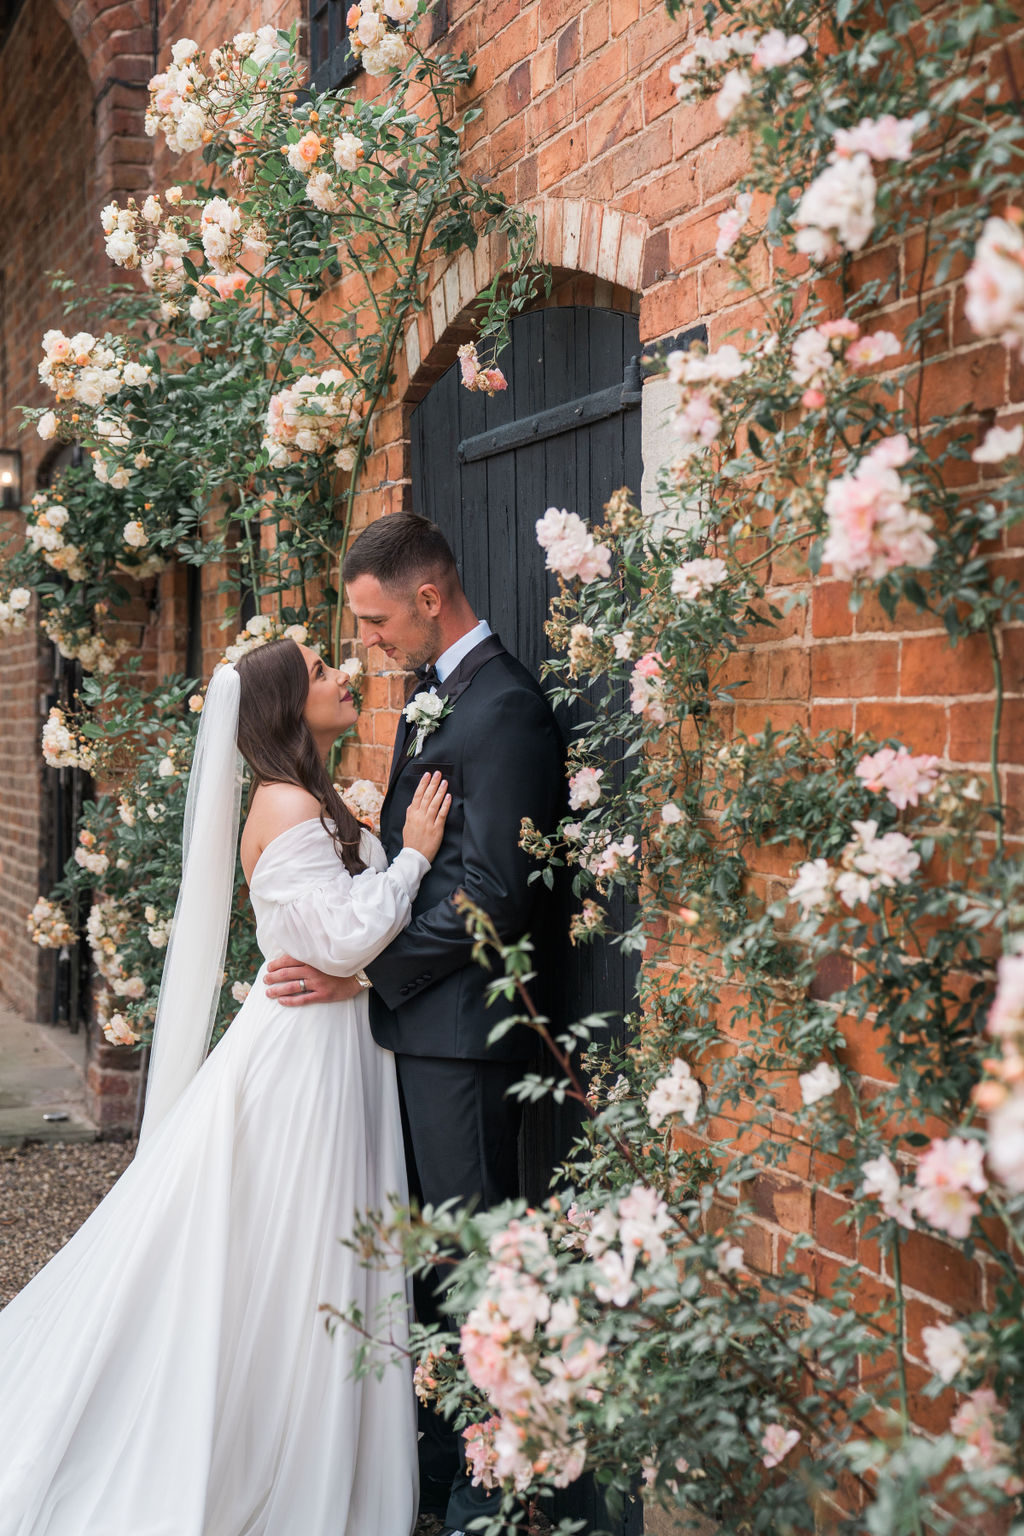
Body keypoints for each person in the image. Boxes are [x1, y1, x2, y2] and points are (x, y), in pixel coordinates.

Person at [0, 637, 451, 1536]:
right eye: (321, 672)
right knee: (299, 1245)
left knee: (305, 1245)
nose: (341, 676)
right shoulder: (285, 802)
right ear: (287, 706)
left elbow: (336, 955)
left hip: (332, 1039)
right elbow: (342, 938)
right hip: (303, 1065)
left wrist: (359, 961)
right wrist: (412, 857)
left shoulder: (305, 795)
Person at [265, 512, 564, 1534]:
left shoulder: (505, 709)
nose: (370, 644)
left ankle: (495, 1488)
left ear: (429, 599)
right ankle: (441, 1465)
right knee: (430, 1263)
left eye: (377, 621)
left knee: (474, 1260)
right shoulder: (440, 699)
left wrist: (364, 974)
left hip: (463, 1041)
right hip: (414, 1032)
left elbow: (492, 890)